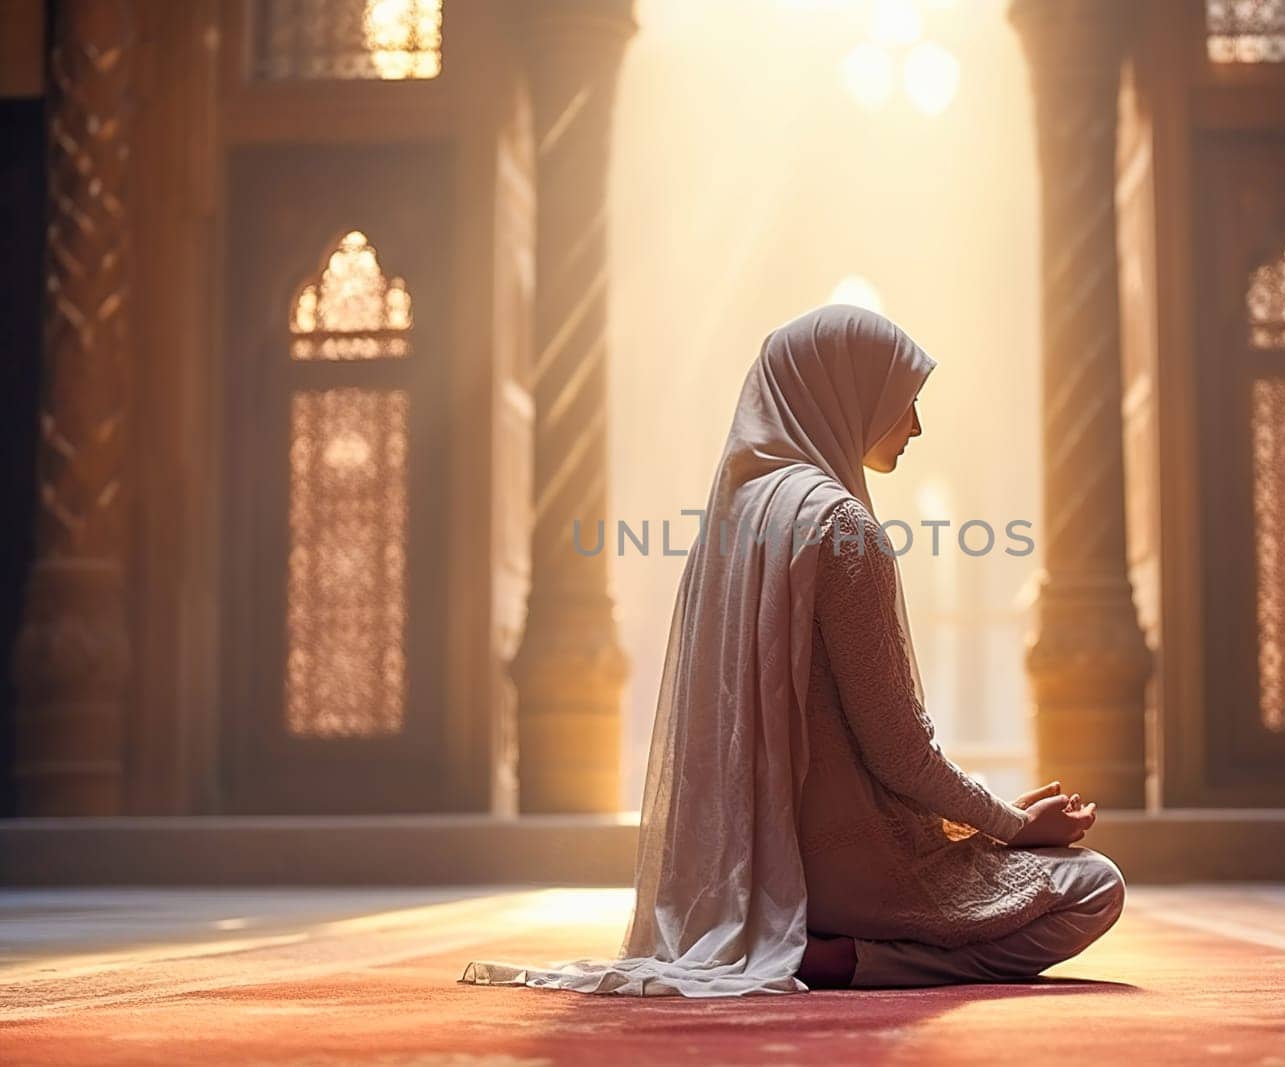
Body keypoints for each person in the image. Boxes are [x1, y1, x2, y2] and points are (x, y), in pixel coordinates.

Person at [459, 304, 1123, 998]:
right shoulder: (841, 529)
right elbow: (898, 750)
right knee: (1095, 885)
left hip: (742, 878)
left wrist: (985, 823)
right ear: (848, 393)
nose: (916, 425)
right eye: (903, 402)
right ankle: (842, 961)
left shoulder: (731, 522)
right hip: (847, 877)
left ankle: (806, 943)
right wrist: (1011, 824)